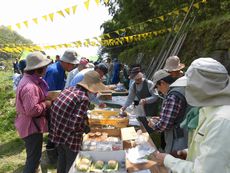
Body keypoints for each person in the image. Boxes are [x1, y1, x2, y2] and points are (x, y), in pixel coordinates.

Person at [154, 58, 230, 173]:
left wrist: (167, 160)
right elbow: (209, 149)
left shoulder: (222, 120)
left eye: (189, 86)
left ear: (201, 88)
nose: (187, 90)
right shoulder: (208, 109)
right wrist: (187, 152)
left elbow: (206, 170)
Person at [49, 70, 107, 173]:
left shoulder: (70, 89)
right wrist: (86, 129)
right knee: (72, 163)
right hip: (69, 136)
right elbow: (76, 124)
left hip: (56, 131)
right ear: (91, 87)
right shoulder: (83, 98)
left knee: (62, 158)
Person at [15, 52, 52, 173]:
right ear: (38, 69)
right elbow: (32, 111)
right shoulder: (30, 87)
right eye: (44, 66)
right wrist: (45, 104)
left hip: (28, 124)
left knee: (33, 156)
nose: (46, 68)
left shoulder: (28, 80)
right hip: (31, 127)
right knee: (33, 160)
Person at [148, 69, 188, 153]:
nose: (158, 90)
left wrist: (153, 124)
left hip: (178, 139)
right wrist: (161, 118)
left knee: (174, 161)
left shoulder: (172, 96)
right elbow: (176, 115)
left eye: (157, 87)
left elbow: (164, 126)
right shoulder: (181, 89)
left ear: (162, 83)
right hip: (185, 135)